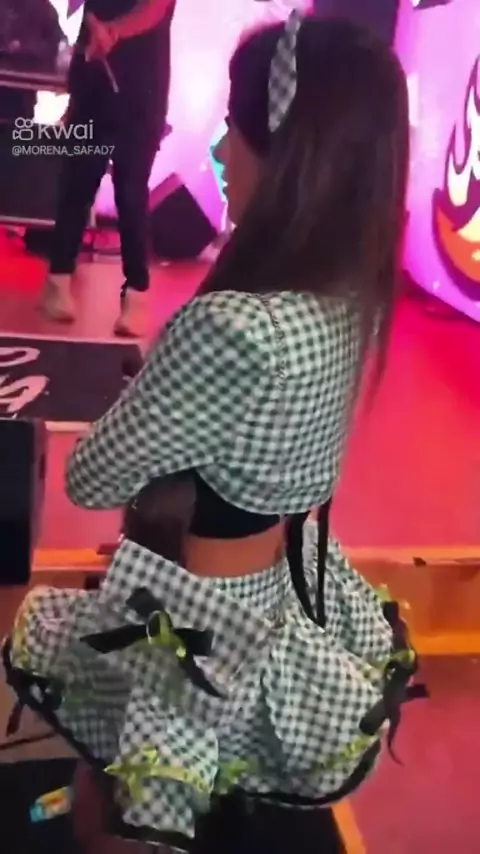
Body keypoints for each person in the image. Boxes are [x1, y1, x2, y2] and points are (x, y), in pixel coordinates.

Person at [4, 12, 423, 854]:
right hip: (275, 595)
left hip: (190, 622)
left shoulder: (234, 327)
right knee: (197, 781)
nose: (221, 150)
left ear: (293, 156)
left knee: (123, 802)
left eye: (236, 128)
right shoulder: (352, 301)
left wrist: (154, 396)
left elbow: (92, 475)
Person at [40, 0, 176, 336]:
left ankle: (136, 294)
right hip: (92, 73)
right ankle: (58, 282)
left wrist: (114, 30)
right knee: (78, 182)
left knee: (131, 189)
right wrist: (92, 23)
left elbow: (156, 8)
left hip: (142, 84)